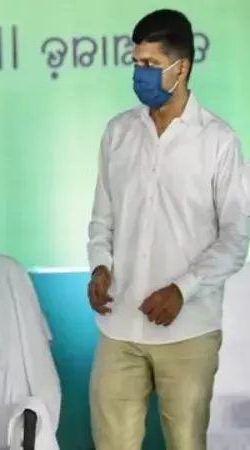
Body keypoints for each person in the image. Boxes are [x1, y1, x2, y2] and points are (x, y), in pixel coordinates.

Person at [86, 9, 249, 450]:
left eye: (151, 64)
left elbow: (235, 240)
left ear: (182, 68)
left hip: (188, 331)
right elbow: (102, 219)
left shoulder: (219, 141)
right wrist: (100, 266)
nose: (139, 74)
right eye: (136, 62)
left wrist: (183, 289)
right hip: (119, 327)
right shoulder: (118, 133)